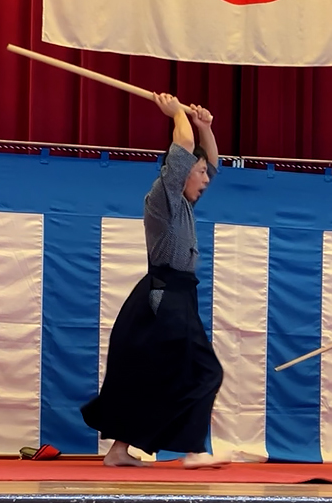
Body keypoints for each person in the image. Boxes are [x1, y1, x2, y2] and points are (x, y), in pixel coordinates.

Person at [81, 93, 226, 469]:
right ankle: (195, 451)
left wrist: (205, 126)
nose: (207, 178)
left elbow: (208, 157)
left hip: (174, 296)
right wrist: (176, 113)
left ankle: (118, 451)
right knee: (205, 371)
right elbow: (185, 147)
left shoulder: (185, 205)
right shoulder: (163, 197)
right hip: (165, 295)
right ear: (179, 173)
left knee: (152, 374)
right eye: (200, 173)